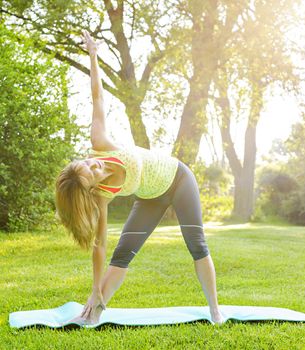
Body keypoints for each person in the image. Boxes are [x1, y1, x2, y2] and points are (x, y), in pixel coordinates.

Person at [55, 30, 223, 325]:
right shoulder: (102, 196)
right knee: (121, 255)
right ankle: (93, 313)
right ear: (91, 188)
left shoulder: (100, 142)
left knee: (196, 244)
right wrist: (94, 289)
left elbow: (97, 97)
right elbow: (100, 245)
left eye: (87, 163)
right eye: (91, 173)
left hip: (180, 180)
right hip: (151, 198)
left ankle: (215, 311)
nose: (95, 165)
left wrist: (93, 55)